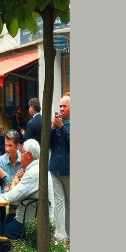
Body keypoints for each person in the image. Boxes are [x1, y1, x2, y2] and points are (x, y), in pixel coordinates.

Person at [0, 139, 43, 241]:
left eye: (21, 153)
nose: (20, 156)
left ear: (28, 156)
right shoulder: (40, 169)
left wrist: (14, 182)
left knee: (0, 226)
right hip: (37, 218)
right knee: (8, 218)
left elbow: (10, 196)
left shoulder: (32, 173)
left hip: (29, 224)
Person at [49, 94, 70, 242]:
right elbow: (48, 144)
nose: (61, 109)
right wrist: (52, 128)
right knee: (59, 203)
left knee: (69, 203)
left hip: (68, 170)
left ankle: (70, 234)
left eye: (65, 106)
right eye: (60, 106)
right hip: (54, 169)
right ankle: (61, 236)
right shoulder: (56, 123)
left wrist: (62, 127)